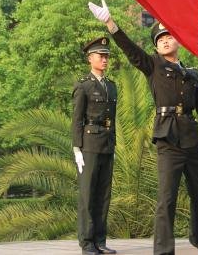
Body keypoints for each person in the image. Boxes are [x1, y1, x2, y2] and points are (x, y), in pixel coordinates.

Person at [88, 0, 198, 255]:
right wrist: (111, 24)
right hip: (168, 139)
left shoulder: (191, 74)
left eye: (168, 36)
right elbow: (132, 51)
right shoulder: (153, 65)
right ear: (156, 47)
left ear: (177, 40)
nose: (165, 41)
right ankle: (164, 251)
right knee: (166, 199)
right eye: (159, 39)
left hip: (191, 139)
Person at [72, 36, 118, 254]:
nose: (105, 59)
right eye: (101, 56)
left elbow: (113, 119)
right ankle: (87, 242)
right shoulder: (84, 86)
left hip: (107, 143)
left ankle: (100, 240)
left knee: (103, 194)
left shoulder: (111, 86)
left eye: (107, 56)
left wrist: (114, 145)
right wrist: (76, 148)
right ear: (90, 58)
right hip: (89, 144)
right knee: (88, 194)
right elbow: (77, 119)